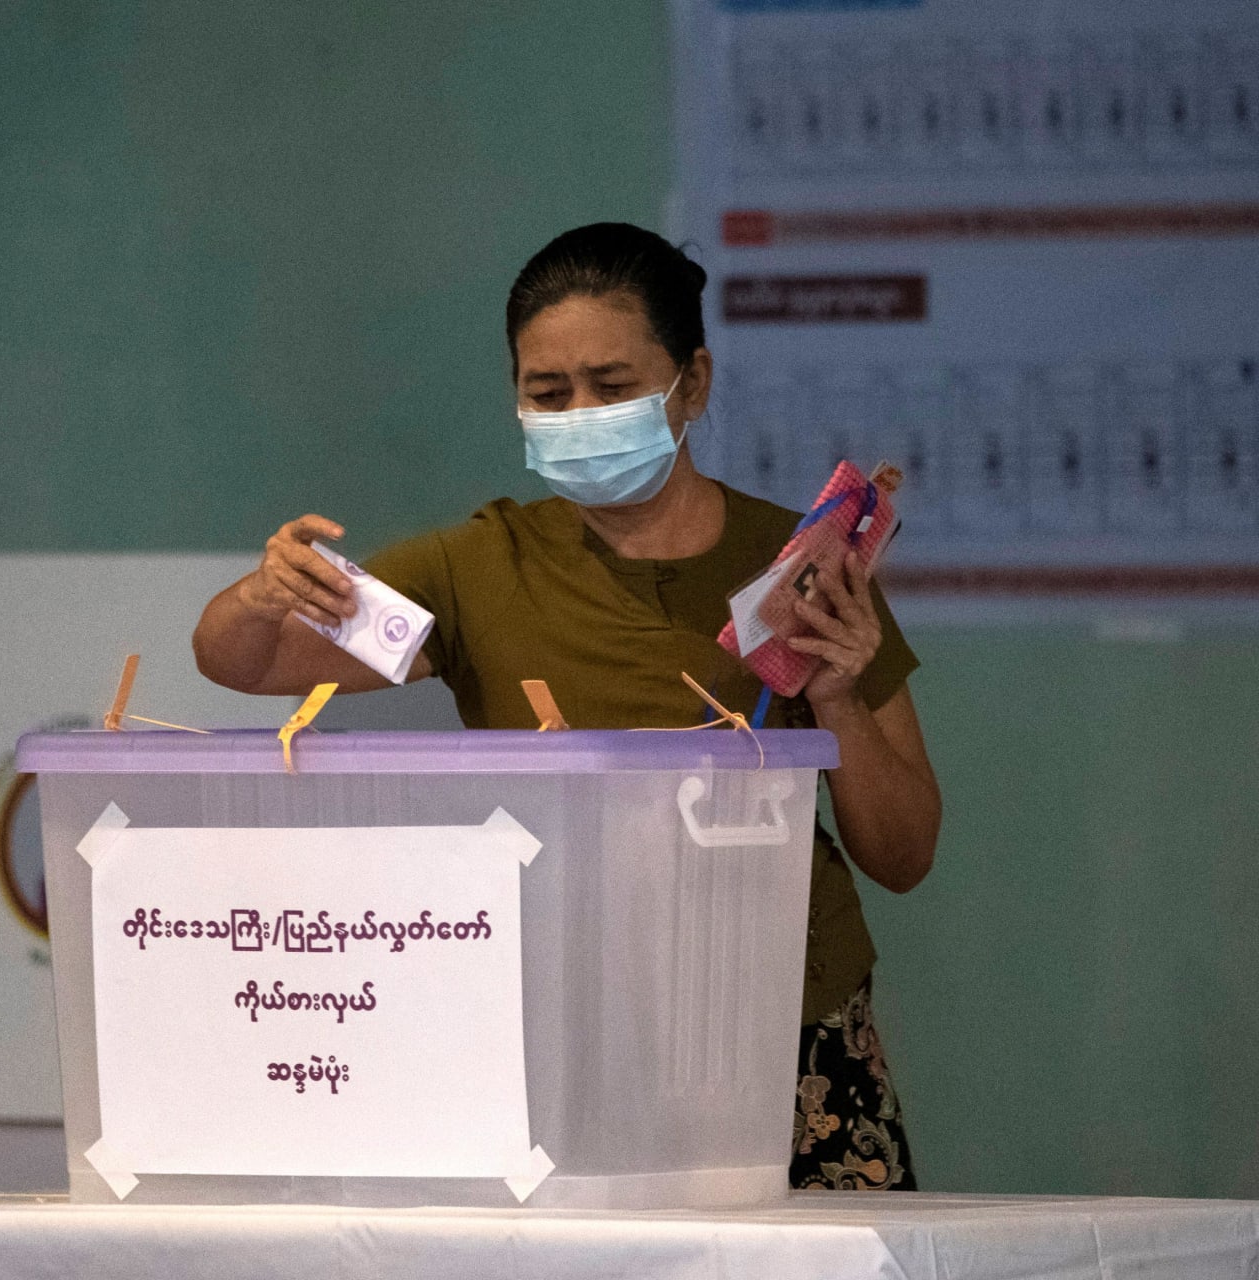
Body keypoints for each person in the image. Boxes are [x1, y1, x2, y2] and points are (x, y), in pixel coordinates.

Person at [193, 222, 942, 1191]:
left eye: (614, 386)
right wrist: (260, 595)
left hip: (786, 1029)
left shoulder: (804, 570)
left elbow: (905, 853)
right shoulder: (475, 568)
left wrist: (836, 693)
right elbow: (244, 661)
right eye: (548, 394)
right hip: (559, 1030)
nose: (580, 413)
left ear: (695, 384)